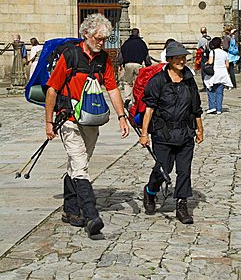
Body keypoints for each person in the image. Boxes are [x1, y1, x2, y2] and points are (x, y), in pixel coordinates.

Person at [45, 13, 129, 238]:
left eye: (105, 39)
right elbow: (52, 89)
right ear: (86, 35)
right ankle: (91, 215)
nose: (102, 43)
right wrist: (48, 122)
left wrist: (121, 117)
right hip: (68, 119)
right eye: (99, 39)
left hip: (92, 120)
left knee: (77, 163)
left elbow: (112, 88)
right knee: (80, 164)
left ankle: (70, 210)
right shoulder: (70, 56)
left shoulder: (103, 60)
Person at [139, 41, 203, 224]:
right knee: (163, 169)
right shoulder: (158, 81)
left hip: (185, 132)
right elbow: (149, 108)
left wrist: (200, 129)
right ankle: (150, 191)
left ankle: (181, 206)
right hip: (163, 133)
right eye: (177, 58)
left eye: (183, 58)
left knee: (184, 171)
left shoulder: (189, 80)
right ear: (169, 60)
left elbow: (195, 107)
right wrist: (144, 133)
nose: (181, 61)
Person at [120, 28, 152, 107]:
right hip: (138, 64)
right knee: (138, 82)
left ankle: (128, 98)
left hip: (128, 64)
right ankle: (136, 99)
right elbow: (146, 55)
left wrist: (120, 63)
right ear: (138, 34)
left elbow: (121, 54)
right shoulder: (142, 43)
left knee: (128, 82)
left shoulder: (126, 43)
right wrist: (148, 65)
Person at [204, 37, 233, 114]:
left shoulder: (212, 52)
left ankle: (212, 106)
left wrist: (206, 63)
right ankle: (219, 109)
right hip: (223, 73)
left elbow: (210, 62)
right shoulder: (225, 53)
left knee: (211, 90)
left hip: (214, 73)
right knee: (220, 92)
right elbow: (227, 65)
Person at [197, 27, 211, 91]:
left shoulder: (201, 40)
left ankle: (205, 85)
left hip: (204, 56)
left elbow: (198, 48)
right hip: (210, 55)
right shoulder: (210, 38)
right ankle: (210, 84)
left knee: (204, 71)